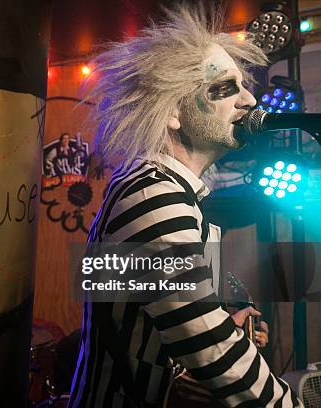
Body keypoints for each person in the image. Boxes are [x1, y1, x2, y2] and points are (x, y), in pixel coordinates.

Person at [68, 4, 302, 407]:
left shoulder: (169, 191)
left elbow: (174, 324)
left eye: (244, 85)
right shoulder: (152, 195)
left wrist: (228, 322)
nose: (249, 99)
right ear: (174, 112)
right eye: (225, 88)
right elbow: (212, 350)